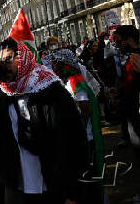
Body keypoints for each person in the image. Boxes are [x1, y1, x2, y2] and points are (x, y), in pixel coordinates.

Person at [0, 37, 89, 204]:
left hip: (51, 184)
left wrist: (72, 190)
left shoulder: (51, 90)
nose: (3, 65)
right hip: (17, 186)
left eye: (8, 59)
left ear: (23, 58)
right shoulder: (1, 95)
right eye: (0, 61)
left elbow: (74, 139)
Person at [49, 49, 106, 203]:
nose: (52, 67)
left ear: (62, 63)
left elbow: (84, 109)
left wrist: (76, 130)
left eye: (54, 63)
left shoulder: (75, 80)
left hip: (85, 139)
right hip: (81, 138)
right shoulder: (67, 80)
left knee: (88, 177)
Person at [114, 25, 140, 203]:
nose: (117, 44)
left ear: (130, 39)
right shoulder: (133, 57)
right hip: (134, 112)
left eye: (119, 41)